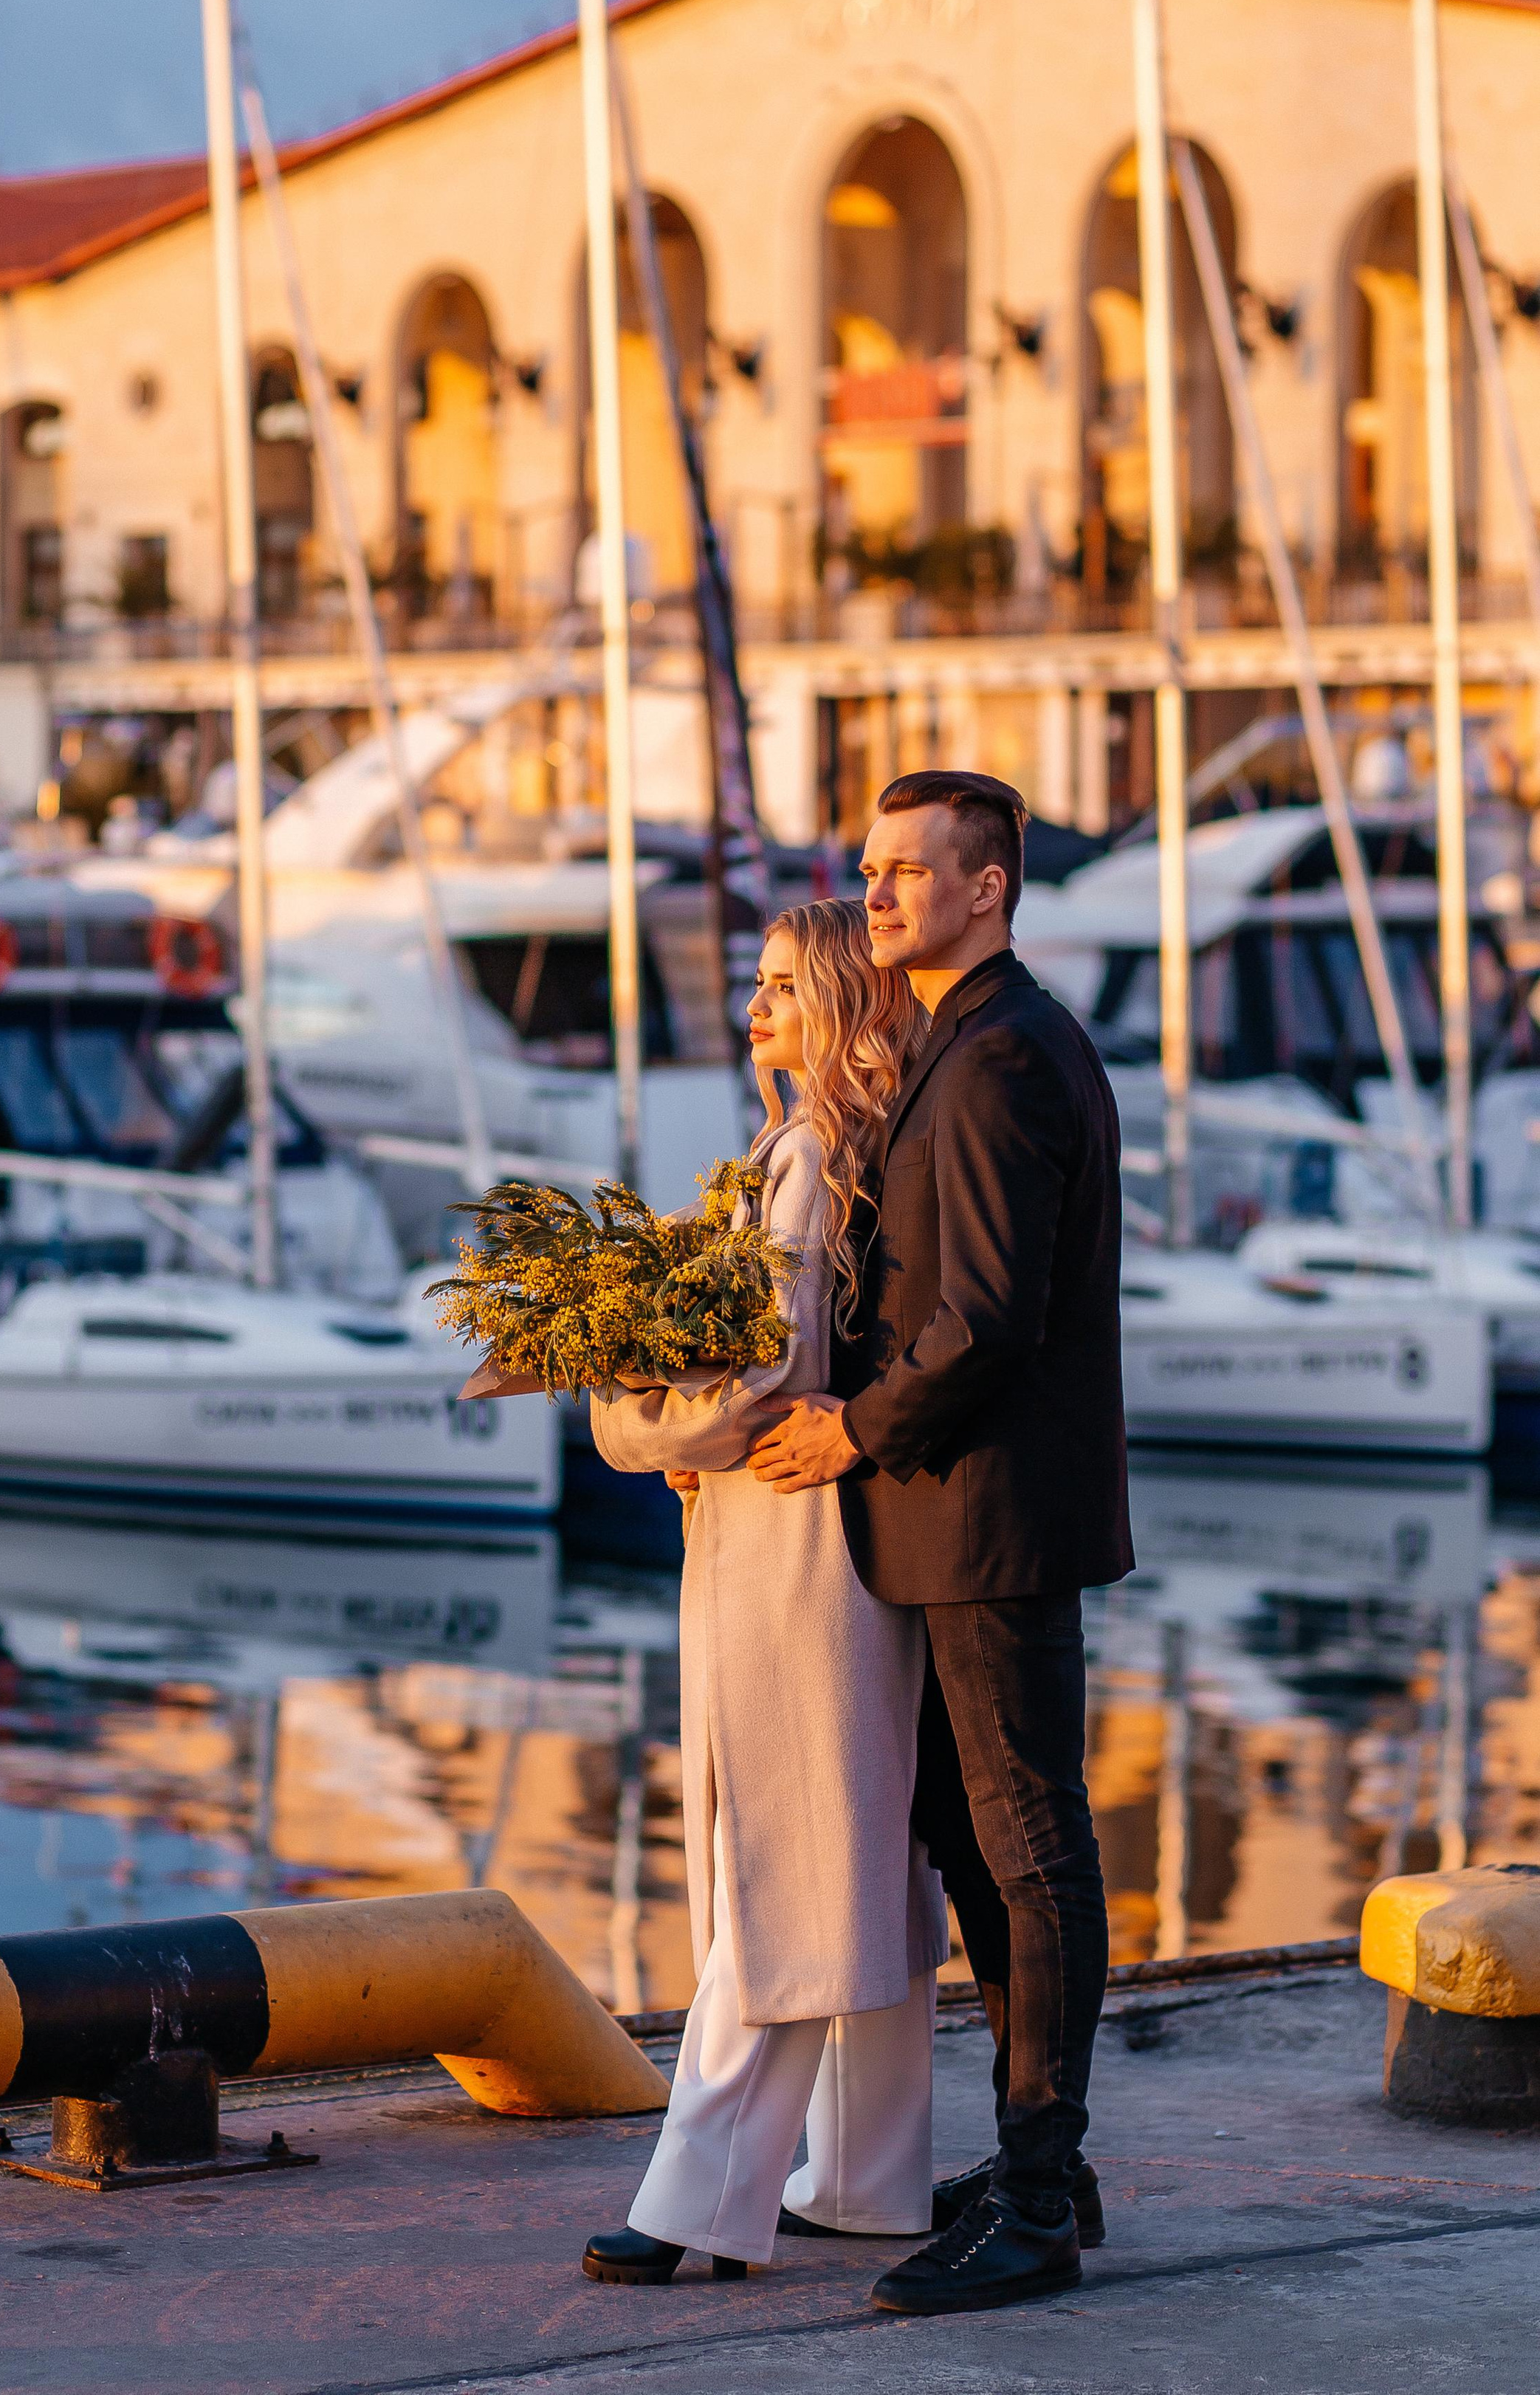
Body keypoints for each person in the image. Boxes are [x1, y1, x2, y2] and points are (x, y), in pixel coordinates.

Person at [752, 770, 1131, 2319]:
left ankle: (1037, 2199)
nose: (882, 891)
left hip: (986, 1514)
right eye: (869, 867)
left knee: (1027, 1846)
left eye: (912, 870)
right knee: (977, 1844)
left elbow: (978, 1324)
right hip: (948, 1515)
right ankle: (1047, 2170)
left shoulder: (993, 1061)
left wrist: (844, 1428)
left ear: (988, 889)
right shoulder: (961, 1042)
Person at [579, 899, 949, 2286]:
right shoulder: (853, 1148)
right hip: (851, 1541)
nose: (758, 1004)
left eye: (787, 985)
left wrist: (628, 1421)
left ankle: (697, 2204)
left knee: (779, 1860)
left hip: (789, 1547)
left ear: (846, 1003)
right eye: (757, 983)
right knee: (860, 1844)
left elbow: (752, 1375)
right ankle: (865, 2175)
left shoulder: (801, 1158)